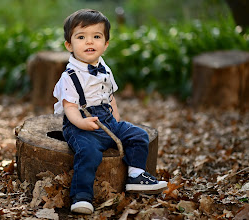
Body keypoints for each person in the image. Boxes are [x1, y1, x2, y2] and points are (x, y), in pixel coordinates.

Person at [53, 9, 167, 215]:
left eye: (96, 37)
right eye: (81, 37)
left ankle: (136, 174)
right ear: (69, 45)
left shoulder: (104, 68)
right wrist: (81, 124)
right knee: (88, 153)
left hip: (107, 121)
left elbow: (110, 97)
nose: (90, 42)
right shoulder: (69, 76)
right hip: (82, 124)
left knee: (138, 135)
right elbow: (69, 107)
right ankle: (81, 196)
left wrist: (117, 121)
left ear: (105, 44)